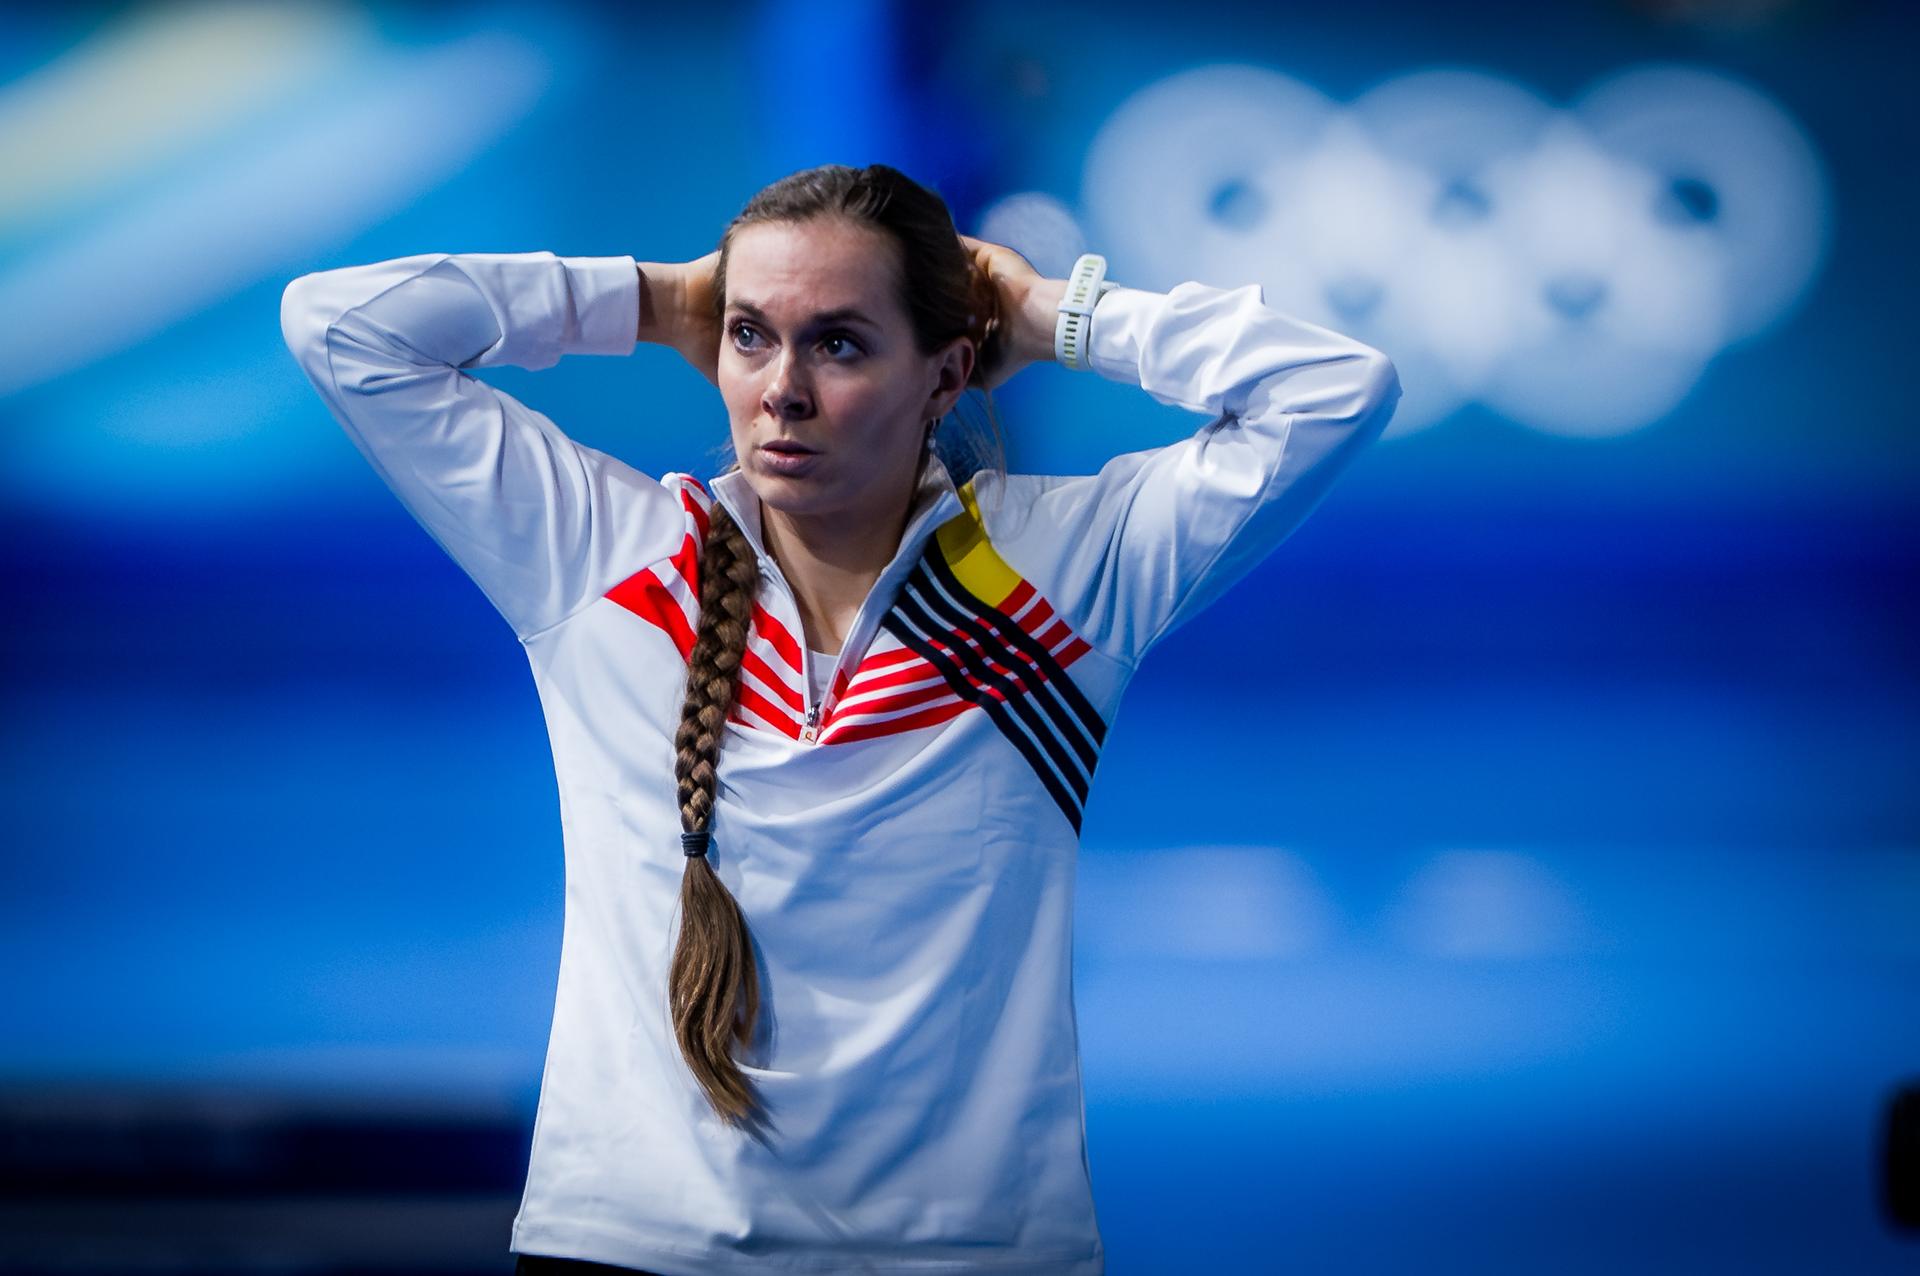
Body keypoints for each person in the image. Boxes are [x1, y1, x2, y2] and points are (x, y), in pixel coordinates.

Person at [279, 162, 1401, 1276]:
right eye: (753, 336)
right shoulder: (601, 561)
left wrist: (1058, 316)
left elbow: (1336, 388)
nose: (783, 390)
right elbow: (338, 327)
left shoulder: (1063, 574)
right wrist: (655, 299)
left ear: (949, 373)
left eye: (842, 344)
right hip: (630, 1244)